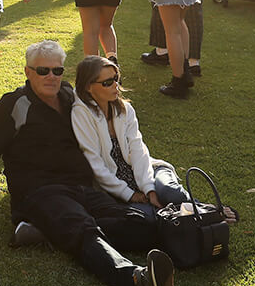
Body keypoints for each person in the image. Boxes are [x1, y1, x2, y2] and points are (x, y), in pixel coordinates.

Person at [0, 40, 178, 286]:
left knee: (139, 221)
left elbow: (108, 115)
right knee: (83, 230)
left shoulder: (68, 95)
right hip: (40, 191)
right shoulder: (13, 105)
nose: (51, 77)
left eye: (57, 70)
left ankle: (197, 240)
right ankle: (138, 281)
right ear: (28, 72)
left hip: (80, 187)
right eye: (43, 71)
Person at [69, 55, 237, 223]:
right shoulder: (81, 114)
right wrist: (131, 195)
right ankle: (196, 218)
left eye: (116, 79)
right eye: (107, 83)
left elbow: (138, 150)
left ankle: (209, 212)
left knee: (170, 193)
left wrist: (149, 189)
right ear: (89, 87)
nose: (116, 85)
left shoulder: (124, 109)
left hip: (146, 171)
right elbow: (95, 164)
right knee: (149, 217)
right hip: (117, 185)